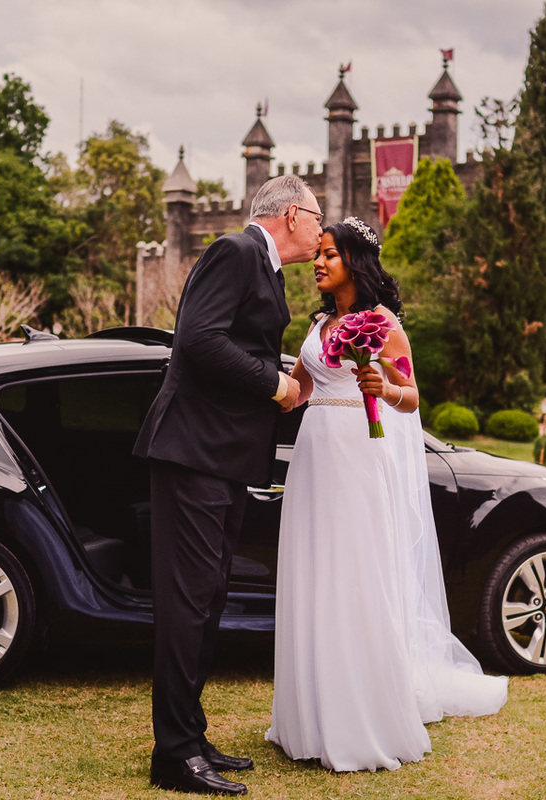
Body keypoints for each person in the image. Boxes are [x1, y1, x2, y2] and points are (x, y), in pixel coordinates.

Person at [265, 217, 508, 772]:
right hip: (314, 457)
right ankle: (307, 715)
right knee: (314, 573)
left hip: (358, 455)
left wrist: (383, 385)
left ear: (356, 262)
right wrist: (266, 387)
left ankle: (361, 719)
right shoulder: (320, 323)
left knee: (357, 575)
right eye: (319, 254)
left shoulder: (383, 324)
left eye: (329, 255)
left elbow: (412, 396)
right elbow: (300, 388)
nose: (319, 264)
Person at [133, 174, 323, 795]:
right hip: (193, 455)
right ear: (292, 214)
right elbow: (199, 341)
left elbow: (231, 345)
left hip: (224, 460)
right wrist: (275, 384)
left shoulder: (265, 271)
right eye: (317, 218)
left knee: (208, 598)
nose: (321, 231)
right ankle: (174, 755)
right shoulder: (235, 251)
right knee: (188, 603)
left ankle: (191, 734)